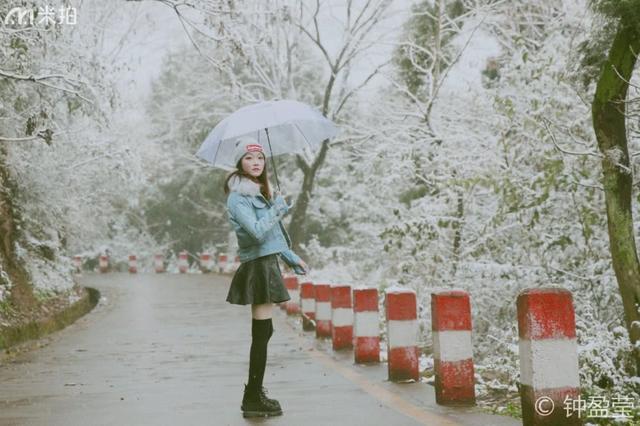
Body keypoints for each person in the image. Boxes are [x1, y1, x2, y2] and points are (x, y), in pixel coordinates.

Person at [223, 135, 309, 418]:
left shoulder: (259, 193)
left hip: (267, 262)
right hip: (257, 267)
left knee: (265, 331)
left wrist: (291, 258)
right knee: (261, 333)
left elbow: (272, 237)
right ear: (239, 163)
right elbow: (258, 232)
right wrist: (277, 209)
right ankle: (252, 396)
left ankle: (255, 392)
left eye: (259, 157)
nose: (256, 162)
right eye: (249, 158)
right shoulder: (238, 198)